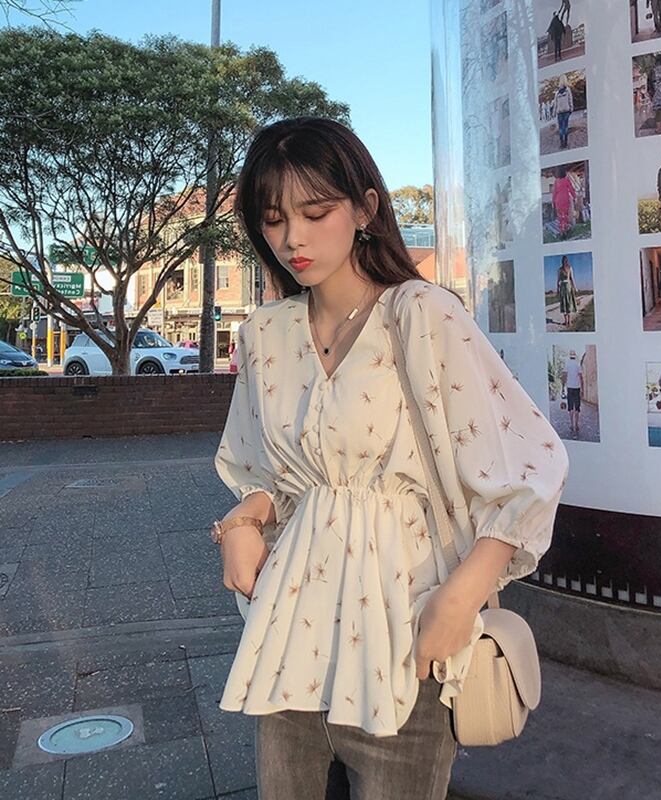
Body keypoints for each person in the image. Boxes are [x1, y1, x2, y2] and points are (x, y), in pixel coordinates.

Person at [212, 117, 569, 800]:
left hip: (406, 637)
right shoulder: (266, 335)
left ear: (365, 209)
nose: (292, 238)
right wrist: (242, 522)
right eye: (274, 218)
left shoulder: (422, 315)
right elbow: (271, 475)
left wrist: (460, 600)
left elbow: (531, 465)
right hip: (290, 635)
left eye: (315, 212)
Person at [561, 349, 583, 436]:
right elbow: (581, 377)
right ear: (575, 356)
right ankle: (576, 425)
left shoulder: (567, 364)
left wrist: (563, 387)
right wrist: (582, 389)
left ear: (570, 356)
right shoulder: (578, 364)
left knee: (570, 407)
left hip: (569, 388)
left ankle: (571, 424)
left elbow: (564, 376)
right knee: (577, 408)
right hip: (577, 388)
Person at [552, 166, 576, 238]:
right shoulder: (566, 180)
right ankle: (565, 231)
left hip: (558, 200)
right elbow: (571, 189)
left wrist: (553, 202)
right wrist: (574, 197)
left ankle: (562, 231)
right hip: (565, 199)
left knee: (560, 217)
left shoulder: (556, 181)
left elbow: (554, 193)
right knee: (565, 215)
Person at [557, 255, 578, 327]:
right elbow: (558, 280)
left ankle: (570, 321)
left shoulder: (570, 268)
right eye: (563, 260)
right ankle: (566, 322)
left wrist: (575, 288)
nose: (564, 262)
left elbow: (572, 278)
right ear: (562, 261)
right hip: (562, 288)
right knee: (564, 304)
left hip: (568, 287)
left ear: (567, 261)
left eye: (565, 260)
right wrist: (557, 288)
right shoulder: (560, 269)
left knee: (569, 304)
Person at [553, 74, 574, 149]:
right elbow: (570, 100)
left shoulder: (557, 92)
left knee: (561, 128)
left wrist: (554, 112)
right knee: (565, 127)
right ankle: (565, 142)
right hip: (566, 111)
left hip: (560, 112)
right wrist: (571, 108)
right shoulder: (568, 90)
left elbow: (555, 103)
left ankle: (562, 143)